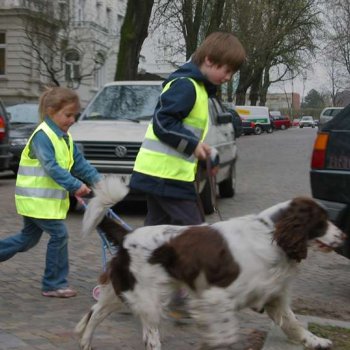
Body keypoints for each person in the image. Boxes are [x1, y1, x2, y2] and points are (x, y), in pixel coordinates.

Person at [129, 31, 246, 226]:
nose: (228, 78)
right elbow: (163, 122)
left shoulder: (199, 89)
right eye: (226, 71)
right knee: (196, 232)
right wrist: (192, 145)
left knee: (156, 234)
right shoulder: (186, 86)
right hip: (165, 176)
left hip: (165, 174)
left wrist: (205, 153)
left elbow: (186, 131)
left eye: (232, 73)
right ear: (209, 60)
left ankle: (140, 255)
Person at [0, 87, 101, 298]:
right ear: (50, 112)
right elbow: (51, 167)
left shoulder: (64, 137)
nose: (72, 120)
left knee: (27, 239)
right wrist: (75, 185)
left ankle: (53, 282)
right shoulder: (42, 136)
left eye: (75, 115)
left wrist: (99, 182)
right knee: (59, 234)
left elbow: (79, 164)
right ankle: (53, 283)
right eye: (68, 115)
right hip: (36, 202)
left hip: (41, 203)